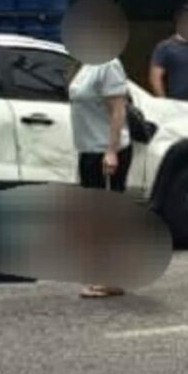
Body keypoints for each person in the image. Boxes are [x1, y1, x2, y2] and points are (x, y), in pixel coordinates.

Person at [68, 57, 132, 299]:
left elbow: (118, 109)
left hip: (106, 151)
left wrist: (111, 151)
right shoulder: (85, 65)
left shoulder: (109, 64)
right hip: (89, 150)